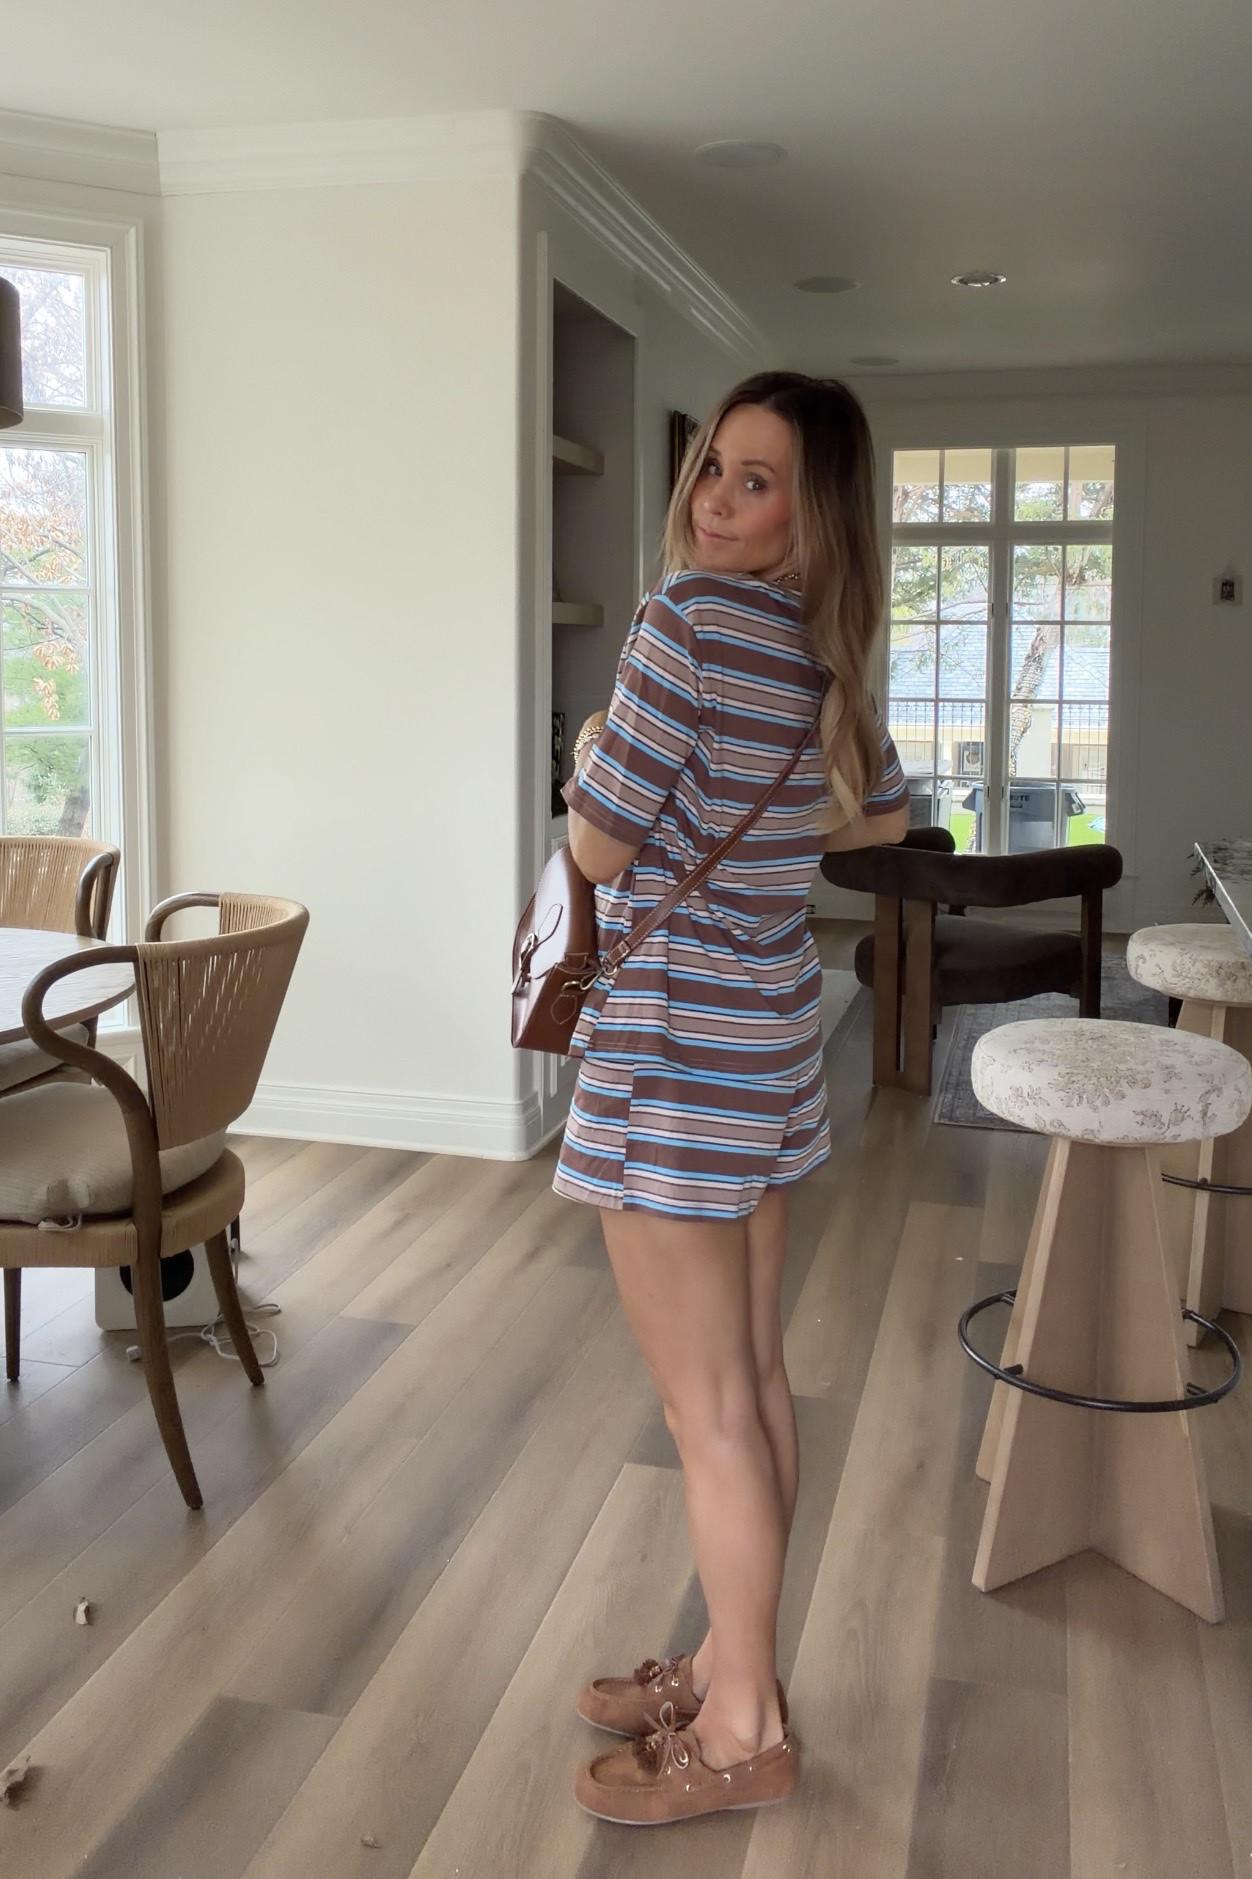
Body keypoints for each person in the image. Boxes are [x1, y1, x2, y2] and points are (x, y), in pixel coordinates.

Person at [556, 371, 910, 1827]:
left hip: (670, 1057)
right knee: (753, 1381)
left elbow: (595, 849)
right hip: (765, 1040)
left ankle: (746, 1725)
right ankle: (723, 1660)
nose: (715, 496)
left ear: (809, 511)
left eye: (756, 480)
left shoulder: (684, 623)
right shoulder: (825, 657)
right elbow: (885, 815)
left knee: (705, 1408)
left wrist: (595, 753)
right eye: (714, 465)